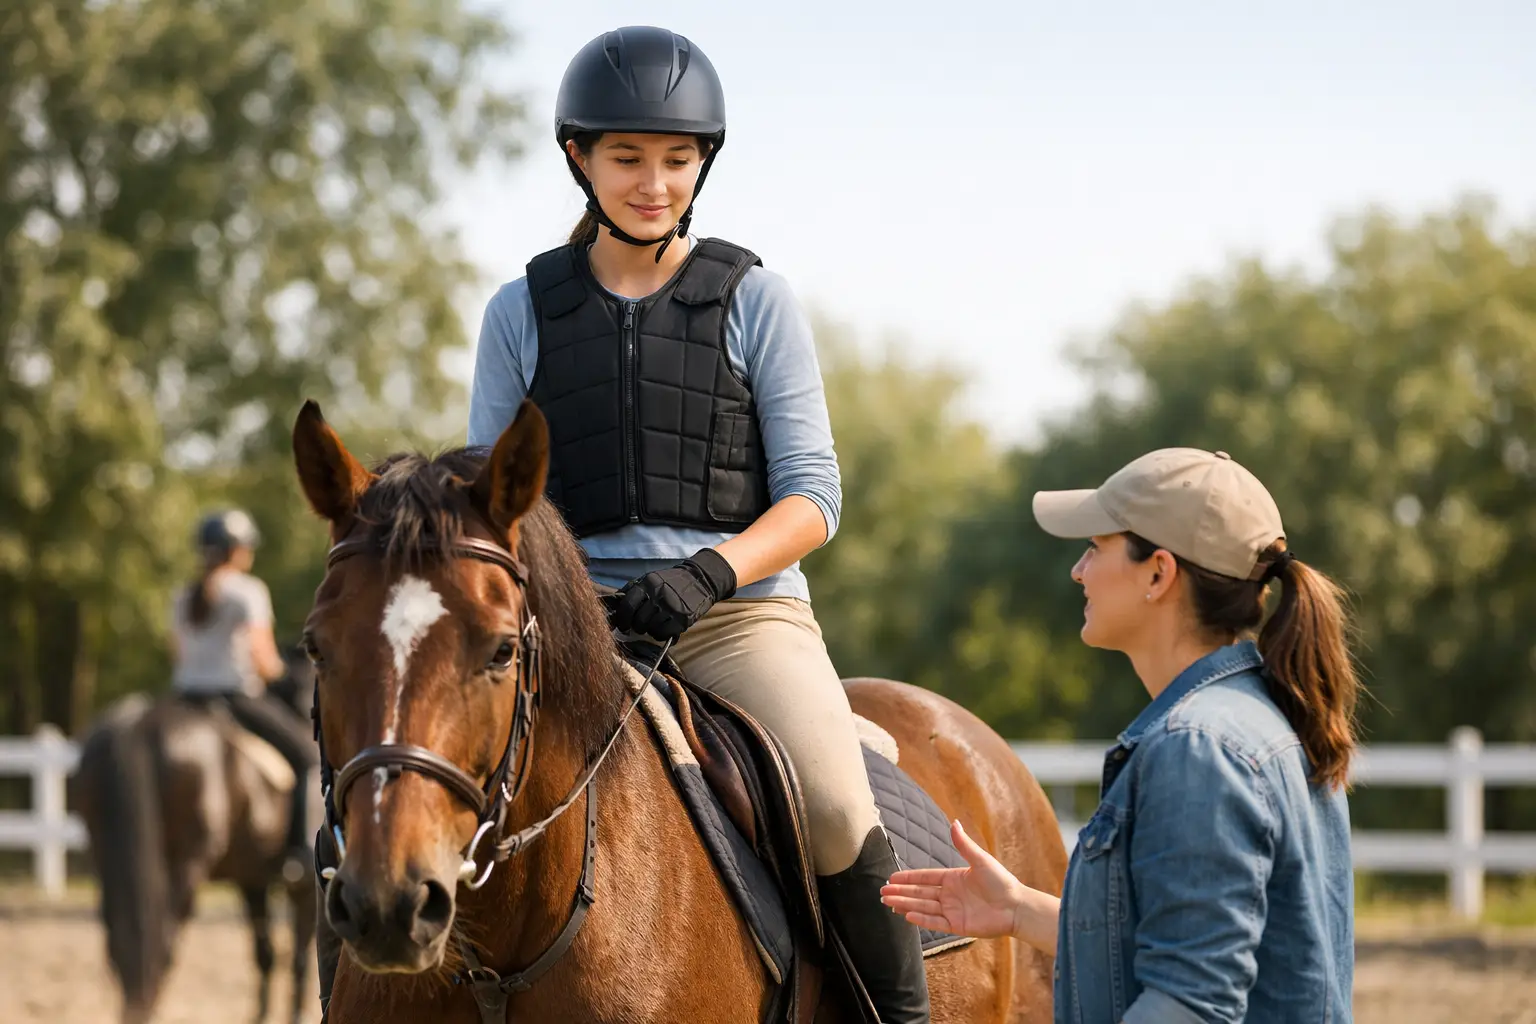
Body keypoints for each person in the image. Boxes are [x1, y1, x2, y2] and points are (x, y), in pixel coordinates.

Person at [463, 25, 929, 1023]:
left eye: (679, 161)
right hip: (573, 621)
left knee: (841, 809)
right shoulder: (519, 312)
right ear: (578, 158)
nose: (655, 183)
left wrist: (709, 574)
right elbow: (498, 499)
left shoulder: (757, 300)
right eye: (628, 158)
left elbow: (814, 497)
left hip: (738, 620)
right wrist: (569, 594)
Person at [880, 448, 1359, 1024]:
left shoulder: (1198, 750)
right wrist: (1017, 911)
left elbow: (1189, 1004)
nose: (1078, 570)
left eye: (1095, 548)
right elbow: (1191, 941)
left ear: (1159, 573)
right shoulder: (1261, 717)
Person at [171, 509, 316, 879]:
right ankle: (300, 853)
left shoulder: (183, 595)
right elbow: (263, 660)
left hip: (185, 700)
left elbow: (179, 654)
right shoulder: (248, 591)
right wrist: (290, 674)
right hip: (235, 698)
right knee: (308, 757)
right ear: (237, 550)